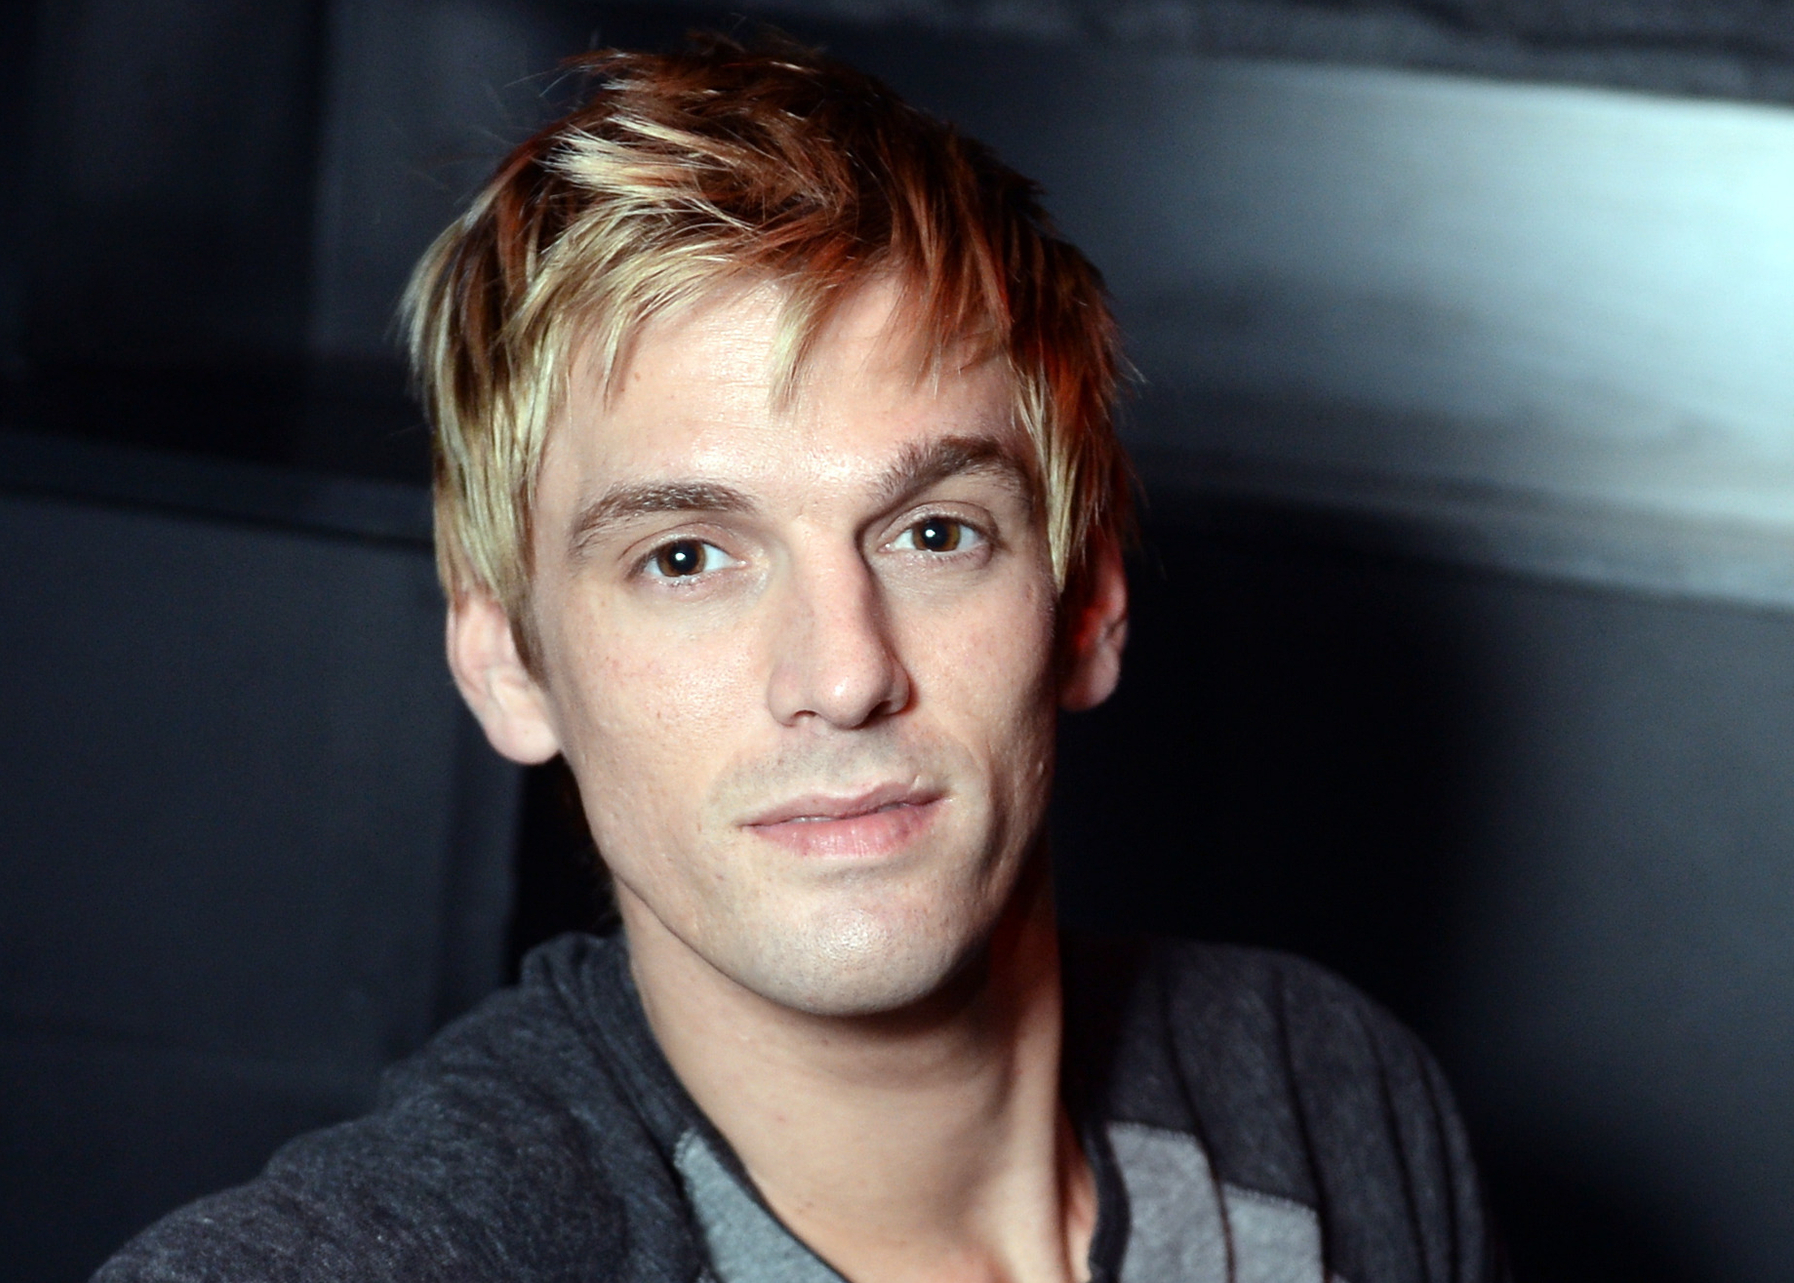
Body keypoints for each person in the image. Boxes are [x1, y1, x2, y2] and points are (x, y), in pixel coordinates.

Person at [95, 33, 1502, 1283]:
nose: (842, 675)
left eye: (935, 534)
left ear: (1087, 606)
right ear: (507, 666)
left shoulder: (1322, 1105)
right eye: (686, 558)